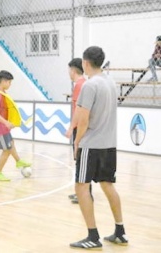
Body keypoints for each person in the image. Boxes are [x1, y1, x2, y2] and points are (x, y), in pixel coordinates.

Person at [71, 46, 128, 249]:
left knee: (81, 187)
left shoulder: (90, 85)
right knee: (107, 185)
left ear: (85, 63)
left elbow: (83, 120)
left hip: (92, 145)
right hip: (109, 145)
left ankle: (92, 236)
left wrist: (77, 142)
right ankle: (120, 231)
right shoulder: (110, 82)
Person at [0, 70, 31, 182]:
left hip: (3, 128)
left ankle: (18, 161)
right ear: (4, 81)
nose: (10, 85)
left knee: (11, 143)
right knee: (6, 150)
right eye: (9, 82)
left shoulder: (1, 92)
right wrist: (5, 122)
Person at [64, 58, 90, 204]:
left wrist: (72, 129)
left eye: (69, 70)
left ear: (73, 70)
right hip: (80, 127)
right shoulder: (81, 84)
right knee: (80, 161)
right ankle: (80, 192)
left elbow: (80, 110)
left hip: (80, 128)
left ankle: (84, 194)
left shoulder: (80, 85)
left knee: (81, 160)